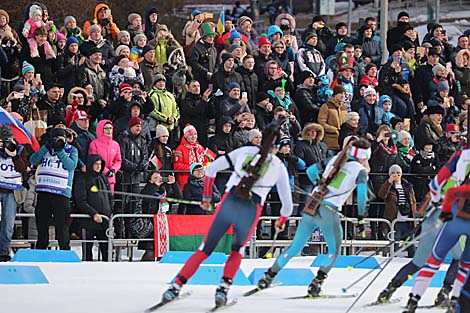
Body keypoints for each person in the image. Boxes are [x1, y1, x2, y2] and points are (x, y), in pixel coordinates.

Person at [161, 123, 293, 308]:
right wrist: (281, 221)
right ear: (277, 147)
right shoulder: (278, 166)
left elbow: (211, 169)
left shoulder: (244, 151)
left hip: (230, 201)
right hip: (250, 209)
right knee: (236, 251)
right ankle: (223, 289)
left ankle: (175, 287)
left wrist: (206, 197)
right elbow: (287, 205)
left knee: (205, 249)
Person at [255, 139, 371, 297]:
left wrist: (320, 184)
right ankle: (316, 283)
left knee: (295, 246)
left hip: (313, 203)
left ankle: (268, 277)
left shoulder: (334, 159)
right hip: (329, 210)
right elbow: (363, 194)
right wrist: (360, 218)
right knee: (334, 250)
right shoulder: (360, 171)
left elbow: (310, 171)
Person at [403, 183, 470, 313]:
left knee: (425, 263)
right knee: (462, 262)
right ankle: (450, 298)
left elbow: (420, 210)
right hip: (452, 224)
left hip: (442, 224)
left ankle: (408, 298)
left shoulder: (448, 183)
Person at [29, 128, 79, 250]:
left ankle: (64, 251)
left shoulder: (71, 150)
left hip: (61, 192)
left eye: (61, 138)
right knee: (42, 225)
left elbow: (71, 165)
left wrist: (60, 150)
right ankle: (41, 249)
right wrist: (45, 148)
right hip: (44, 191)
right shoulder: (46, 149)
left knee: (62, 227)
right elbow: (33, 160)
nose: (58, 141)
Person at [74, 154, 112, 261]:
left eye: (100, 164)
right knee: (87, 251)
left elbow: (109, 196)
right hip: (88, 221)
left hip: (104, 220)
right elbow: (81, 200)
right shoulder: (82, 178)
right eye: (96, 164)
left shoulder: (103, 178)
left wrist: (110, 211)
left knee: (106, 251)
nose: (98, 166)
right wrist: (93, 213)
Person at [0, 125, 28, 261]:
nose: (7, 143)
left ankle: (4, 253)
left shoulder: (20, 149)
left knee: (8, 224)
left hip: (11, 191)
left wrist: (14, 155)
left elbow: (22, 168)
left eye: (9, 139)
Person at [378, 164, 417, 258]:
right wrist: (389, 182)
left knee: (411, 247)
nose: (396, 175)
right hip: (395, 220)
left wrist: (415, 216)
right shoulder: (388, 186)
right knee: (394, 246)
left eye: (398, 173)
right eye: (393, 173)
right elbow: (381, 195)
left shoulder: (408, 186)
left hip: (408, 221)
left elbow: (413, 201)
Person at [88, 120, 122, 193]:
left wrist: (113, 170)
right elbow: (93, 160)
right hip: (98, 178)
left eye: (110, 128)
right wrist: (106, 171)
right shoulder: (94, 144)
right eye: (106, 128)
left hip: (111, 179)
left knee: (110, 201)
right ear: (101, 129)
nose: (109, 130)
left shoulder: (115, 144)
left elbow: (118, 161)